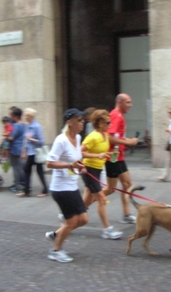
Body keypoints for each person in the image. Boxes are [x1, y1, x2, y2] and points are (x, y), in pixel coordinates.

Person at [44, 108, 88, 263]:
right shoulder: (61, 140)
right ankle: (55, 250)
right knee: (71, 222)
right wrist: (69, 165)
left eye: (83, 120)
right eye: (79, 120)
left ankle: (56, 235)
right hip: (60, 188)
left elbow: (76, 160)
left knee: (83, 219)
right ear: (69, 122)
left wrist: (80, 167)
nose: (82, 122)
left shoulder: (78, 138)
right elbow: (49, 163)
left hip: (72, 186)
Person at [81, 109, 123, 239]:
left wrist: (108, 154)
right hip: (89, 170)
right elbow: (80, 152)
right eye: (107, 122)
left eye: (110, 122)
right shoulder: (92, 137)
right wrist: (97, 155)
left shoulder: (105, 135)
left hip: (98, 170)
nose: (110, 125)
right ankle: (107, 229)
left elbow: (101, 152)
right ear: (99, 123)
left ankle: (70, 215)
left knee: (88, 199)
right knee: (101, 199)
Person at [102, 93, 138, 224]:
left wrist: (128, 140)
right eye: (128, 102)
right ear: (120, 102)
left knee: (127, 184)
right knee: (110, 189)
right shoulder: (116, 116)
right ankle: (78, 209)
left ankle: (126, 214)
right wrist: (128, 143)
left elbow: (116, 137)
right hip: (113, 157)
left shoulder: (118, 115)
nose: (131, 105)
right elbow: (110, 137)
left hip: (119, 156)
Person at [17, 108, 48, 198]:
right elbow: (26, 141)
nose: (25, 117)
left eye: (27, 115)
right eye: (25, 115)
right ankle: (27, 191)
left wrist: (32, 139)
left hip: (36, 153)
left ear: (31, 116)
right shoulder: (28, 126)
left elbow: (41, 142)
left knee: (38, 171)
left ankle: (43, 190)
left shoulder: (37, 126)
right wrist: (24, 151)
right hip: (30, 153)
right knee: (28, 170)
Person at [7, 107, 26, 193]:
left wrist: (5, 136)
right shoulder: (23, 125)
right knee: (20, 167)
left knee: (16, 168)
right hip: (20, 148)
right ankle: (22, 183)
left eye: (11, 115)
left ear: (16, 116)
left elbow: (11, 137)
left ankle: (17, 185)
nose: (10, 117)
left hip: (15, 149)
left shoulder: (16, 125)